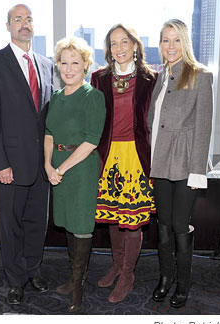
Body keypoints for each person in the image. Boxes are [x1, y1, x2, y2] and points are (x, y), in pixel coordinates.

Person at [0, 4, 54, 305]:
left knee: (38, 222)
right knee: (10, 226)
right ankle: (15, 280)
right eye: (18, 19)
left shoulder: (46, 65)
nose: (24, 24)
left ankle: (33, 269)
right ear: (7, 26)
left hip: (40, 165)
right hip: (9, 164)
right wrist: (0, 164)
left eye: (29, 19)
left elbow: (47, 117)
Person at [147, 19, 213, 308]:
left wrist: (198, 170)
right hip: (159, 160)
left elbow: (203, 127)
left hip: (186, 161)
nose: (170, 46)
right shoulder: (160, 75)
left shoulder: (200, 75)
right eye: (165, 40)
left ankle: (183, 285)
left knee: (178, 224)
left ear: (184, 43)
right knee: (161, 224)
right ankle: (165, 277)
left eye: (175, 40)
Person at [90, 24, 157, 303]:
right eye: (113, 43)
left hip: (137, 155)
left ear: (134, 45)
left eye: (124, 42)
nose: (119, 48)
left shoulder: (151, 78)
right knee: (113, 216)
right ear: (108, 49)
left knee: (133, 220)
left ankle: (128, 273)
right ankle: (117, 265)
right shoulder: (98, 78)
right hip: (108, 155)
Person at [45, 37, 106, 312]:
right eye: (64, 62)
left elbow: (92, 141)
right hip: (57, 168)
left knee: (81, 226)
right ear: (58, 66)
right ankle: (72, 279)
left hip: (80, 170)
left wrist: (60, 168)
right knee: (67, 222)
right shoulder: (56, 97)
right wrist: (48, 165)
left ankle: (78, 290)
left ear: (86, 66)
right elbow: (48, 133)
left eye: (75, 63)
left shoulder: (93, 96)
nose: (69, 69)